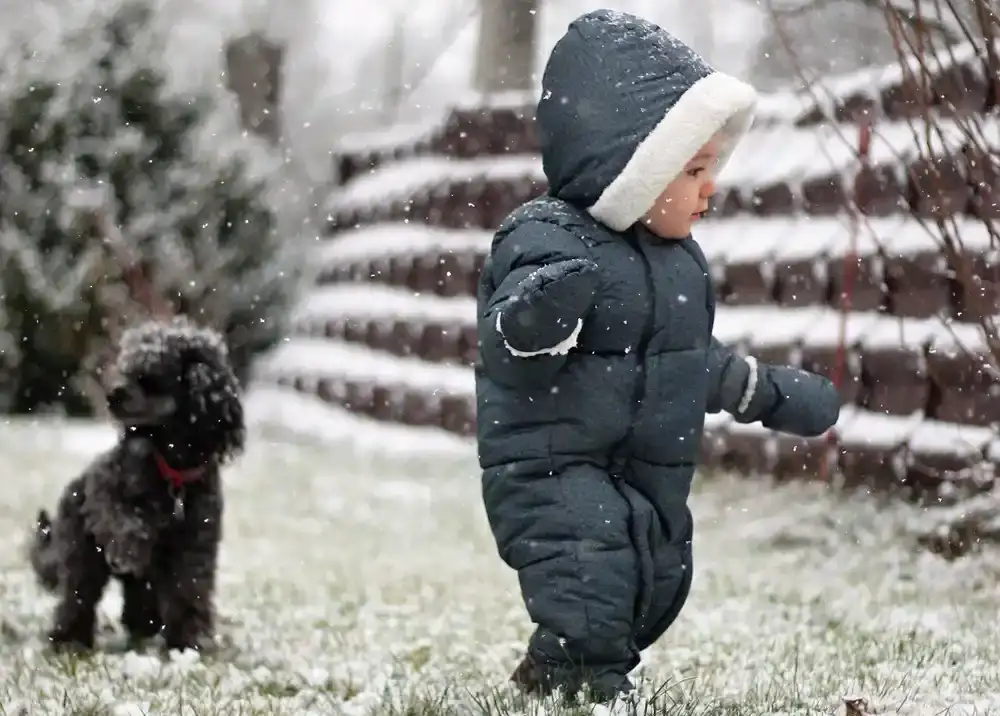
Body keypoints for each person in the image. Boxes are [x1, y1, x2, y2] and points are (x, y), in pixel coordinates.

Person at [473, 8, 841, 706]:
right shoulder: (546, 239)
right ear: (632, 169)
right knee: (591, 570)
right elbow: (511, 348)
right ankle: (589, 686)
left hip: (642, 466)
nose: (711, 187)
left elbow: (686, 361)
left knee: (655, 574)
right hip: (551, 463)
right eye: (694, 168)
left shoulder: (677, 266)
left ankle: (556, 671)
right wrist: (543, 310)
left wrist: (764, 391)